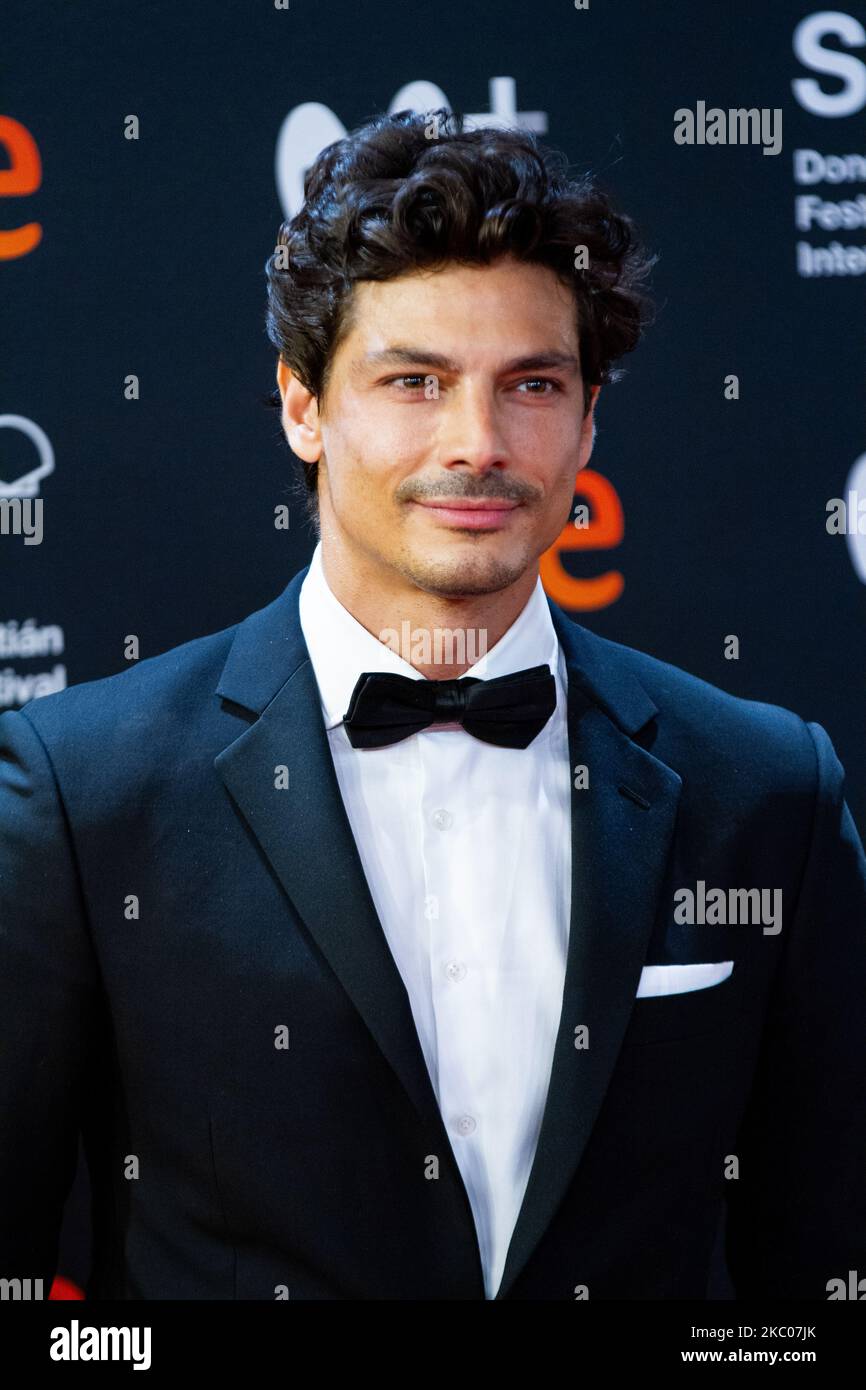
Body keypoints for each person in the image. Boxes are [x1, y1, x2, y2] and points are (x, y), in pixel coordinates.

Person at [1, 109, 864, 1302]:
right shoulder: (85, 792)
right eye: (414, 381)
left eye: (532, 384)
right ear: (304, 406)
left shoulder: (764, 790)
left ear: (587, 418)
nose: (478, 442)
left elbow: (820, 1272)